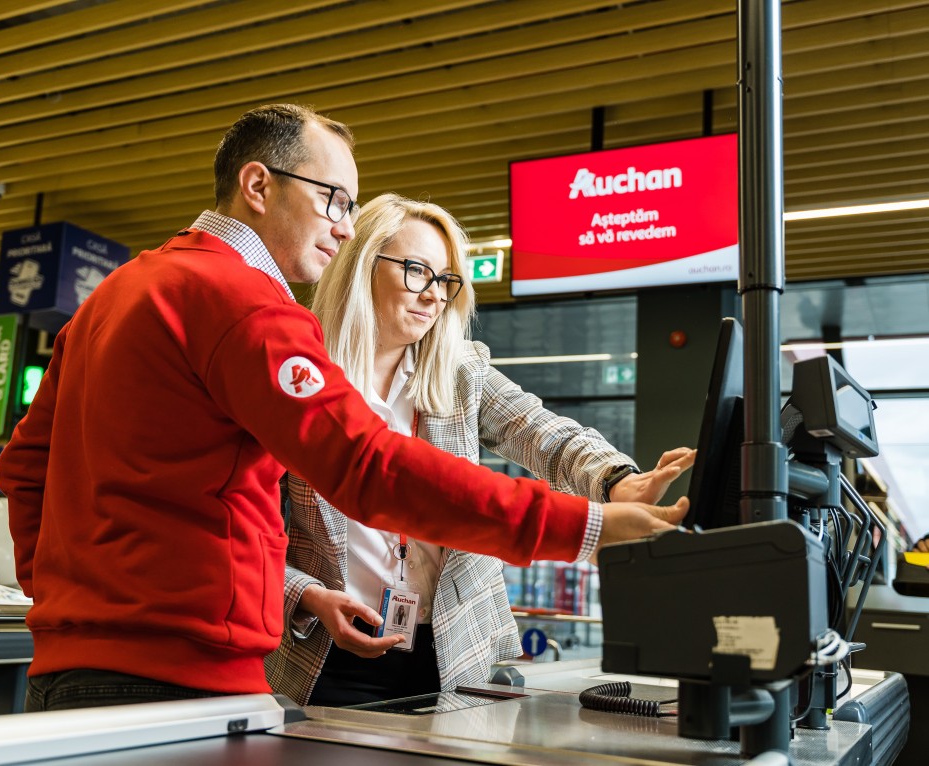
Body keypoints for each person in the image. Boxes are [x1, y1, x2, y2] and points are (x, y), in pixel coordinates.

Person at [0, 104, 689, 712]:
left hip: (76, 668)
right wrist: (587, 529)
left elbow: (25, 468)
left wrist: (72, 604)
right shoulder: (245, 308)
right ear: (258, 185)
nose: (342, 224)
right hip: (187, 673)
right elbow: (370, 467)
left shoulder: (118, 294)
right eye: (332, 198)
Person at [265, 194, 695, 706]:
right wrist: (306, 594)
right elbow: (255, 530)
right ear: (361, 266)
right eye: (416, 271)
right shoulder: (298, 379)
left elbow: (542, 432)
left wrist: (617, 480)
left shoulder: (458, 372)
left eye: (445, 281)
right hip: (327, 655)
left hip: (456, 652)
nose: (434, 296)